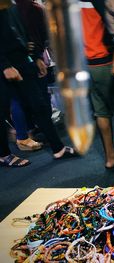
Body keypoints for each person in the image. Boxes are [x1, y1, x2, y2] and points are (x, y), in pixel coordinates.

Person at [0, 4, 77, 161]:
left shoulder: (12, 7)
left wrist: (36, 57)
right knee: (3, 109)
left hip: (22, 62)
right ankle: (4, 155)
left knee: (40, 105)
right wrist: (5, 66)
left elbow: (23, 35)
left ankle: (58, 148)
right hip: (5, 67)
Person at [80, 0, 114, 169]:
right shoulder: (101, 3)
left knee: (101, 111)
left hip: (88, 64)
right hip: (107, 62)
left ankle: (110, 157)